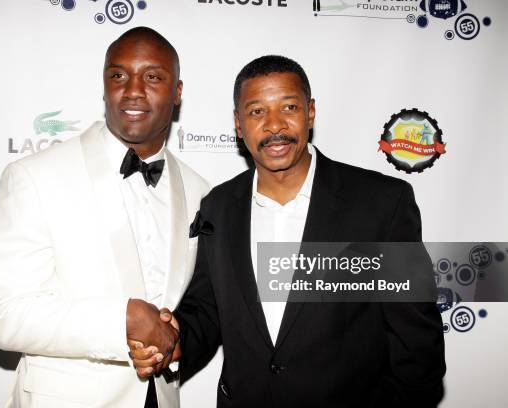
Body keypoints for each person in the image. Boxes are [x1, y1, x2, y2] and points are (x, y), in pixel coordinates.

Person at [128, 55, 446, 407]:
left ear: (310, 113)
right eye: (257, 112)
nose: (274, 126)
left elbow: (417, 345)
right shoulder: (218, 207)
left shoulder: (381, 204)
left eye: (288, 107)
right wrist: (175, 340)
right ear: (238, 123)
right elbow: (208, 310)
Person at [0, 26, 209, 408]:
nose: (133, 89)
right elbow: (6, 317)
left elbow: (197, 307)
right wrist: (121, 321)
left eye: (153, 77)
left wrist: (178, 338)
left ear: (178, 91)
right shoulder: (34, 176)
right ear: (104, 87)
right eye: (118, 75)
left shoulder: (199, 189)